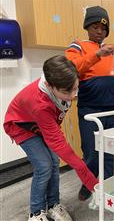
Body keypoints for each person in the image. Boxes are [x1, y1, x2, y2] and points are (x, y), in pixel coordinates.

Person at [3, 55, 98, 221]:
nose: (73, 95)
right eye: (67, 92)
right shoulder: (40, 104)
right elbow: (58, 142)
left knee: (54, 162)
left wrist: (99, 55)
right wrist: (91, 181)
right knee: (44, 165)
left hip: (40, 124)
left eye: (75, 88)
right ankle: (36, 212)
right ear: (49, 85)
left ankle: (54, 205)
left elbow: (83, 64)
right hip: (21, 125)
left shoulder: (66, 74)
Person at [65, 6, 114, 201]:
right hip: (90, 109)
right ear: (87, 27)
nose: (100, 31)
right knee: (91, 151)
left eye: (103, 29)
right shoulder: (78, 46)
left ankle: (110, 188)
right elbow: (71, 67)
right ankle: (89, 182)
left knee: (112, 149)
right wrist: (97, 55)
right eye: (95, 26)